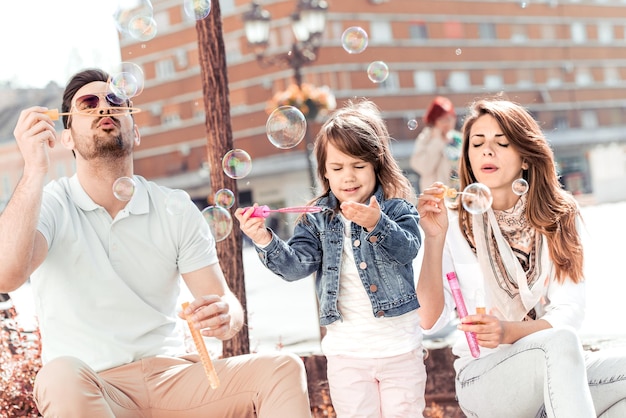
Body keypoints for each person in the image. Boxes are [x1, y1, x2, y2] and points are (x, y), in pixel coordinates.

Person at [0, 68, 311, 418]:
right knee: (58, 376)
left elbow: (225, 304)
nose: (105, 108)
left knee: (283, 368)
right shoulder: (51, 204)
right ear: (67, 137)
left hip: (172, 379)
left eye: (116, 101)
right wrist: (33, 171)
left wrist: (226, 314)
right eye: (88, 103)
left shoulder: (173, 207)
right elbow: (6, 275)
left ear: (137, 131)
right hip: (91, 386)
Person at [417, 98, 626, 418]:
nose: (487, 151)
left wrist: (508, 331)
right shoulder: (454, 220)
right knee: (559, 341)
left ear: (526, 158)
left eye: (501, 143)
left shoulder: (559, 214)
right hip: (483, 376)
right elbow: (429, 320)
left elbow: (568, 310)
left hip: (556, 365)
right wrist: (433, 239)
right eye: (477, 143)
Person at [236, 99, 431, 418]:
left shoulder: (396, 210)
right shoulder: (316, 220)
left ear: (376, 165)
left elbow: (408, 248)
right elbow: (296, 266)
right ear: (325, 172)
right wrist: (263, 238)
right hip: (346, 356)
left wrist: (375, 224)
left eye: (358, 166)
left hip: (400, 351)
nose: (348, 177)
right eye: (338, 168)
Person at [410, 96, 462, 193]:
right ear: (434, 121)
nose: (447, 123)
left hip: (459, 194)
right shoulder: (425, 138)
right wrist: (437, 141)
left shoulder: (458, 138)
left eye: (450, 118)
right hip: (437, 196)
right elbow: (424, 168)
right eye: (443, 119)